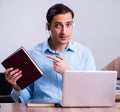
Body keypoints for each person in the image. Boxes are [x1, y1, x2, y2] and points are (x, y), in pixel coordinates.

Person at [5, 3, 96, 103]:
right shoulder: (32, 54)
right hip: (42, 109)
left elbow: (92, 91)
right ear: (49, 27)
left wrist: (68, 73)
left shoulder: (84, 53)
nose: (64, 31)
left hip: (74, 109)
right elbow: (24, 98)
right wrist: (18, 87)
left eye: (68, 25)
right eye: (58, 25)